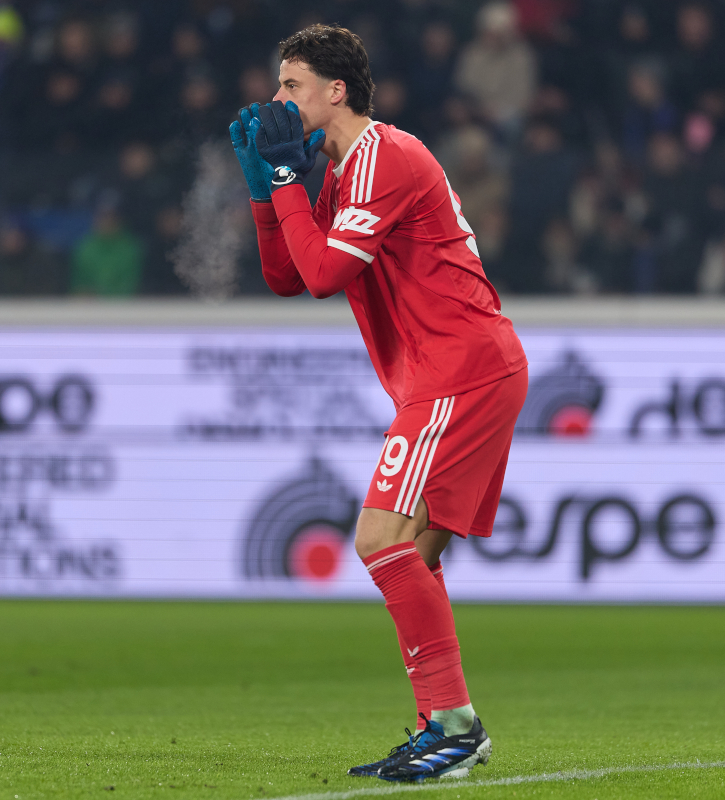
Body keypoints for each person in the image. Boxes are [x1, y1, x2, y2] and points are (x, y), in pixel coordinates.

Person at [230, 24, 527, 782]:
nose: (277, 99)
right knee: (414, 557)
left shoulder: (384, 159)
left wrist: (289, 187)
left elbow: (326, 273)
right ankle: (444, 727)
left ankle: (455, 725)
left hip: (457, 370)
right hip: (460, 368)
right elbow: (287, 277)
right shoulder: (338, 172)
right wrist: (268, 194)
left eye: (291, 85)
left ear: (336, 92)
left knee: (375, 539)